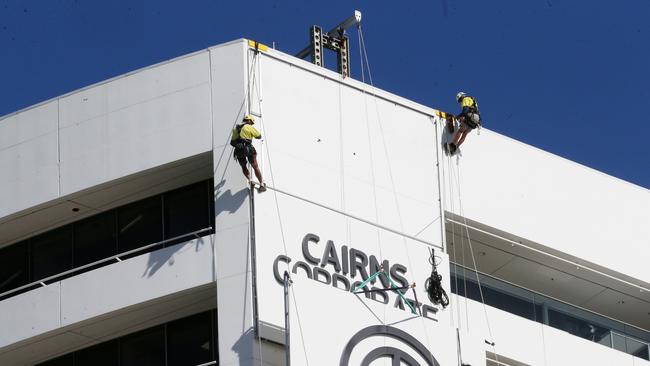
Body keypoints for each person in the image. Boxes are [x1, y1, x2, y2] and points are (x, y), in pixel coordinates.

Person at [231, 115, 266, 192]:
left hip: (239, 151)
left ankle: (250, 180)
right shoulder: (248, 127)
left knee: (243, 166)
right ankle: (262, 184)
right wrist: (249, 135)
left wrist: (238, 143)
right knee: (255, 166)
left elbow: (232, 142)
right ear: (249, 121)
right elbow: (259, 136)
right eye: (252, 123)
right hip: (248, 149)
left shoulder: (235, 129)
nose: (251, 124)